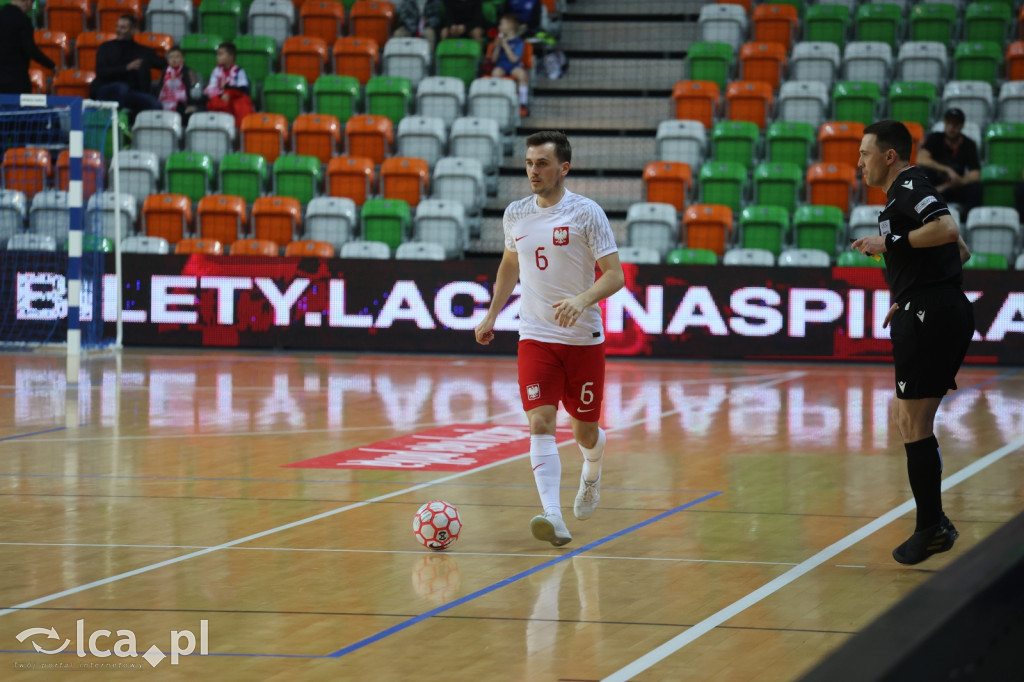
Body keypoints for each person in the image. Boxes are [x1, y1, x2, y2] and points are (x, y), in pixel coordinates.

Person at [474, 131, 624, 547]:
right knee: (540, 421)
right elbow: (509, 265)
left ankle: (592, 471)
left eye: (541, 163)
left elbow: (615, 275)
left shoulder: (586, 212)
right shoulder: (516, 215)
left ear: (564, 168)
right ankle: (553, 517)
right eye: (528, 163)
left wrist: (582, 298)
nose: (533, 171)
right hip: (535, 335)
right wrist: (491, 314)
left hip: (582, 340)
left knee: (585, 433)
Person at [852, 120, 974, 565]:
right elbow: (961, 252)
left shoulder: (908, 183)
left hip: (934, 316)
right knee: (910, 425)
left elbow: (946, 230)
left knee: (915, 426)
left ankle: (932, 528)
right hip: (926, 308)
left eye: (865, 153)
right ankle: (932, 523)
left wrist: (888, 242)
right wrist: (908, 294)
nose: (858, 162)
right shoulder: (900, 193)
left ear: (889, 155)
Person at [915, 108, 983, 220]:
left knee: (975, 188)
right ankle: (922, 219)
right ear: (945, 123)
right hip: (935, 187)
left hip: (956, 186)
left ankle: (968, 222)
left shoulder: (968, 144)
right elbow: (920, 159)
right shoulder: (935, 138)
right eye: (949, 123)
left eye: (955, 124)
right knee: (922, 174)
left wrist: (958, 182)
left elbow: (976, 174)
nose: (952, 127)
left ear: (961, 126)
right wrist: (947, 170)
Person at [91, 15, 166, 113]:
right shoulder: (105, 47)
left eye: (123, 27)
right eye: (117, 27)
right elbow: (100, 72)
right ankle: (115, 122)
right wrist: (126, 68)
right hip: (106, 90)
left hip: (130, 94)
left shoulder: (143, 51)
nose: (118, 30)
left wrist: (185, 70)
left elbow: (166, 64)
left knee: (154, 104)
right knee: (121, 87)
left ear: (133, 30)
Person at [0, 0, 56, 95]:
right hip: (16, 80)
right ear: (28, 2)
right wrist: (51, 65)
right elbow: (30, 49)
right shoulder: (23, 21)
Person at [203, 42, 255, 129]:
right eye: (217, 54)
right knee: (213, 103)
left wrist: (228, 90)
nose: (217, 57)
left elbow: (243, 89)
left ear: (231, 56)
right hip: (220, 99)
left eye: (221, 54)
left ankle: (240, 130)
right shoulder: (216, 71)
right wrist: (221, 95)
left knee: (242, 103)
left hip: (234, 98)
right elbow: (211, 88)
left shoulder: (239, 71)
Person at [488, 13, 531, 116]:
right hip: (501, 65)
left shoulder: (518, 43)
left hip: (514, 66)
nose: (499, 27)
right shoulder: (498, 41)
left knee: (522, 75)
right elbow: (493, 60)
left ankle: (522, 103)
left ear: (510, 26)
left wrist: (505, 45)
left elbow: (514, 59)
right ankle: (497, 101)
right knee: (495, 73)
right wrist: (498, 46)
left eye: (501, 24)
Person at [158, 46, 204, 123]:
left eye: (177, 56)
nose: (174, 59)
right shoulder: (165, 72)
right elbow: (160, 90)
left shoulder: (188, 72)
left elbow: (192, 91)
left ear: (183, 59)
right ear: (167, 60)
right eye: (171, 57)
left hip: (183, 103)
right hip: (166, 102)